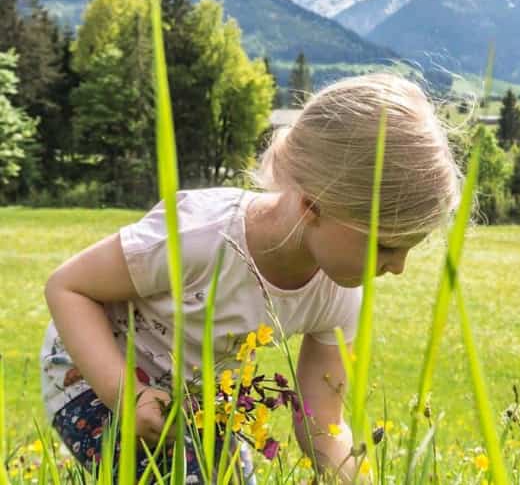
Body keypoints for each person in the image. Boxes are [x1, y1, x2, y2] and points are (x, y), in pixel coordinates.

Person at [41, 72, 462, 482]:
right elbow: (68, 287)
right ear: (313, 205)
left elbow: (322, 426)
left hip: (197, 403)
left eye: (410, 247)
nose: (398, 267)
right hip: (94, 373)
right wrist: (127, 396)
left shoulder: (338, 293)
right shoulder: (202, 236)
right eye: (385, 246)